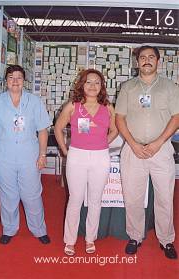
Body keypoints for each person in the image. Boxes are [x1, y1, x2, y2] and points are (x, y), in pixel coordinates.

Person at [115, 45, 179, 259]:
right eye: (143, 57)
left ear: (158, 61)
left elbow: (176, 117)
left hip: (161, 150)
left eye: (151, 57)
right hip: (133, 150)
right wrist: (132, 144)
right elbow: (119, 118)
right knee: (132, 197)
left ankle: (166, 240)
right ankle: (134, 236)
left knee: (164, 198)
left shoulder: (170, 87)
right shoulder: (127, 87)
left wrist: (158, 142)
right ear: (137, 62)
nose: (147, 60)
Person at [54, 69, 118, 255]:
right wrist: (66, 151)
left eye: (97, 82)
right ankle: (70, 240)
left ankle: (91, 239)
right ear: (82, 84)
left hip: (100, 158)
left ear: (102, 86)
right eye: (88, 82)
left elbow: (115, 130)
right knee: (75, 199)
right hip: (77, 156)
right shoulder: (73, 106)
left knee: (95, 200)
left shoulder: (108, 107)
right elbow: (58, 129)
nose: (92, 86)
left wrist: (101, 143)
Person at [0, 65, 51, 245]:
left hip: (29, 156)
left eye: (18, 77)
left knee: (32, 194)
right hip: (2, 156)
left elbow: (42, 130)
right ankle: (9, 228)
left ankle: (39, 229)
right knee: (8, 194)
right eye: (11, 77)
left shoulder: (34, 101)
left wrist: (42, 155)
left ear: (24, 80)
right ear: (5, 80)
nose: (15, 81)